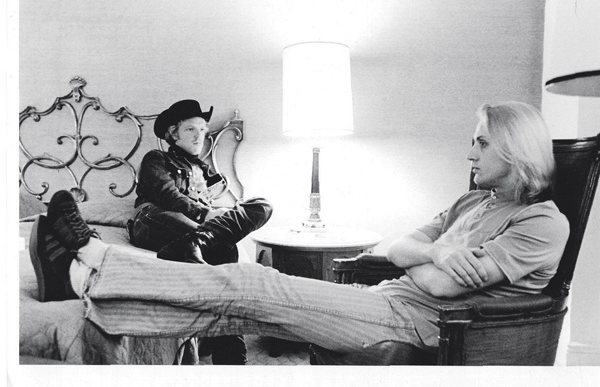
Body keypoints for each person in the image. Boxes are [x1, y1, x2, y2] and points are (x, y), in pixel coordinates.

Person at [30, 101, 569, 362]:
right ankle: (82, 280)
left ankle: (91, 257)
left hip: (419, 324)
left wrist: (430, 258)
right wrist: (438, 253)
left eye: (481, 142)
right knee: (229, 308)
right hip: (387, 299)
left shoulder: (542, 223)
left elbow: (442, 286)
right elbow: (400, 248)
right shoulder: (472, 201)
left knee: (253, 282)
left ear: (513, 150)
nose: (470, 152)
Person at [128, 99, 273, 364]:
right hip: (154, 219)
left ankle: (192, 244)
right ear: (173, 133)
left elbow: (210, 206)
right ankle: (231, 357)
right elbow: (168, 195)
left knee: (262, 206)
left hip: (193, 228)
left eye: (203, 131)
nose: (200, 137)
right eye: (191, 130)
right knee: (223, 246)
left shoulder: (202, 170)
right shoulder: (156, 158)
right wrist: (205, 214)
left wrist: (218, 212)